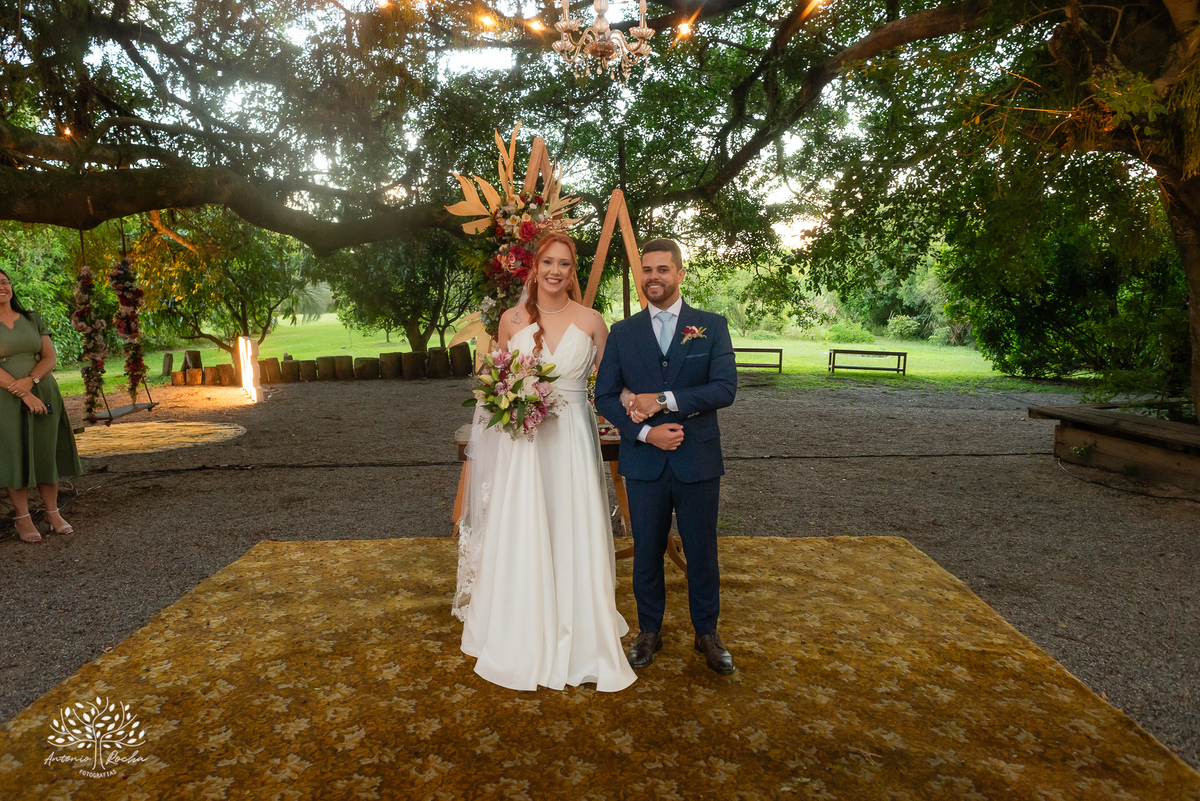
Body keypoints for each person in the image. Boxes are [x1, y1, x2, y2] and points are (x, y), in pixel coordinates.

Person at [454, 232, 637, 692]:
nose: (556, 271)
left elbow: (612, 387)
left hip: (572, 437)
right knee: (527, 524)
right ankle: (521, 624)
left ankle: (580, 622)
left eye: (566, 264)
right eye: (549, 262)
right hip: (526, 443)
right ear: (534, 268)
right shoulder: (512, 321)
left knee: (571, 522)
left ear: (573, 272)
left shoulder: (594, 322)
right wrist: (510, 403)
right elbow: (498, 383)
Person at [594, 239, 738, 674]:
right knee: (646, 551)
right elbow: (604, 395)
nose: (653, 277)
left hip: (697, 460)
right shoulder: (623, 333)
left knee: (702, 549)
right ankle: (649, 631)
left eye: (662, 269)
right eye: (647, 270)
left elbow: (724, 388)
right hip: (644, 462)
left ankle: (707, 634)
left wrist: (663, 399)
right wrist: (644, 432)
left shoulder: (710, 326)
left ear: (679, 273)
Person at [0, 268, 84, 543]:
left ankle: (53, 513)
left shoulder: (32, 318)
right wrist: (22, 391)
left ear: (12, 286)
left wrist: (33, 380)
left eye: (5, 281)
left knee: (45, 451)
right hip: (6, 398)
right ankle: (22, 519)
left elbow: (49, 356)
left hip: (44, 389)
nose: (2, 287)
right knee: (16, 454)